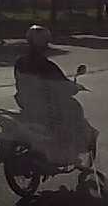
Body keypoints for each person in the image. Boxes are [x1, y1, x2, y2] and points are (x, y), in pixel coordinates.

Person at [13, 25, 93, 163]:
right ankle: (66, 150)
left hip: (25, 102)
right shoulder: (47, 66)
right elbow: (62, 85)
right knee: (73, 109)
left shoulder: (20, 61)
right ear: (45, 43)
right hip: (44, 105)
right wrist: (74, 87)